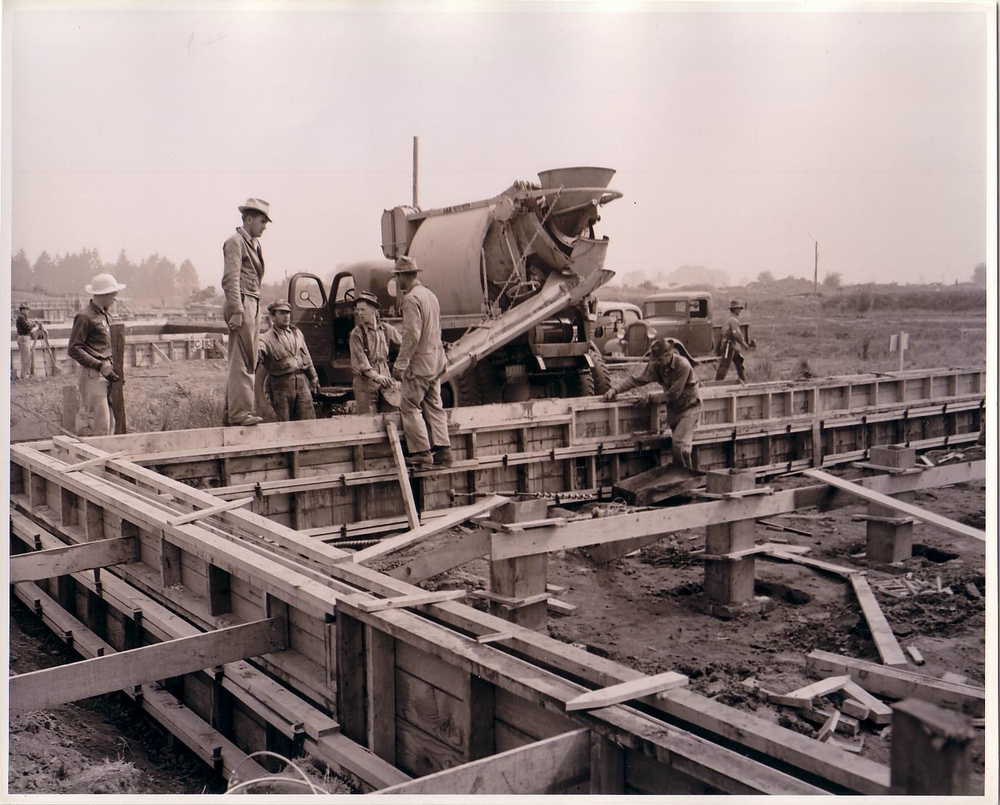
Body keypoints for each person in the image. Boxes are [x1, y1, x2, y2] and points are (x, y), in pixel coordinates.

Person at [390, 255, 453, 470]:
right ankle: (444, 450)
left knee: (409, 405)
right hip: (436, 361)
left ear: (402, 276)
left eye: (397, 276)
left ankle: (421, 453)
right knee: (434, 404)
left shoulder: (410, 299)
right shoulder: (430, 295)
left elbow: (412, 335)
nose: (396, 281)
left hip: (420, 364)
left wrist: (400, 364)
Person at [603, 337, 702, 469]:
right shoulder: (657, 365)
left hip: (690, 407)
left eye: (660, 360)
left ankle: (684, 475)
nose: (658, 363)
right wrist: (614, 390)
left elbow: (673, 393)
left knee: (678, 443)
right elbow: (636, 380)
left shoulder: (682, 365)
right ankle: (687, 474)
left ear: (669, 355)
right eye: (656, 360)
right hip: (674, 409)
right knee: (683, 449)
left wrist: (649, 397)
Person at [222, 197, 271, 426]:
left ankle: (234, 411)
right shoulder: (235, 242)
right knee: (242, 359)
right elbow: (230, 279)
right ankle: (239, 414)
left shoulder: (254, 245)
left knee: (248, 358)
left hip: (253, 302)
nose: (264, 226)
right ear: (249, 219)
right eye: (262, 221)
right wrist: (237, 310)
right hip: (242, 303)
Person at [68, 273, 125, 436]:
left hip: (108, 372)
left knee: (111, 423)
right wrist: (100, 365)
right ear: (103, 294)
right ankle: (97, 452)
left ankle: (106, 452)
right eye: (113, 293)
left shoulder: (106, 315)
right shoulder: (84, 317)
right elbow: (74, 349)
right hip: (93, 375)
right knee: (101, 425)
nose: (115, 297)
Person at [257, 299, 320, 421]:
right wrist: (257, 355)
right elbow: (259, 353)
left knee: (308, 421)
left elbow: (306, 357)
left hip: (301, 383)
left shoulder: (297, 333)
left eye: (287, 313)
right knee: (284, 424)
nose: (286, 316)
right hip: (281, 385)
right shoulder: (265, 338)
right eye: (281, 313)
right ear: (273, 317)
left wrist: (313, 378)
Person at [349, 291, 402, 414]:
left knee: (392, 416)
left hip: (386, 382)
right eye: (358, 310)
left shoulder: (386, 329)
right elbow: (362, 363)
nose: (360, 313)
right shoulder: (356, 334)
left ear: (373, 310)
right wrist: (377, 377)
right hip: (365, 385)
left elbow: (406, 344)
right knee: (370, 420)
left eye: (363, 310)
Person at [714, 300, 752, 384]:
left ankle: (744, 382)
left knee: (739, 363)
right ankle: (716, 384)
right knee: (724, 366)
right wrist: (745, 345)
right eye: (739, 308)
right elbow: (737, 335)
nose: (740, 310)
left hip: (733, 346)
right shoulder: (733, 320)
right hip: (729, 345)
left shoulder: (731, 319)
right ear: (734, 309)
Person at [15, 302, 38, 380]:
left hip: (24, 338)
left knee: (26, 357)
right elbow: (27, 327)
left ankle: (25, 374)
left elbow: (28, 325)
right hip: (23, 338)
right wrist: (33, 324)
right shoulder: (21, 317)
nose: (28, 311)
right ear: (22, 310)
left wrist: (32, 324)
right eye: (27, 310)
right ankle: (24, 375)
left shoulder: (23, 318)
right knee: (25, 358)